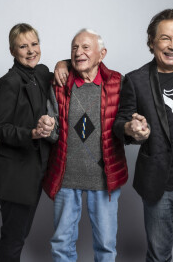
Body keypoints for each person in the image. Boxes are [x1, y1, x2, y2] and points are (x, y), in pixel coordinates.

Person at [113, 9, 173, 261]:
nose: (172, 46)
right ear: (152, 41)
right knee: (158, 257)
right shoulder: (136, 80)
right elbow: (120, 123)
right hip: (160, 189)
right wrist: (130, 129)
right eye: (165, 38)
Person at [43, 29, 128, 262]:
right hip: (65, 177)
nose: (78, 52)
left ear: (102, 54)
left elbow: (124, 125)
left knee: (106, 246)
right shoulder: (59, 83)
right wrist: (46, 129)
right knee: (61, 244)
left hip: (104, 180)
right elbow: (53, 134)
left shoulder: (118, 83)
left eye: (85, 47)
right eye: (74, 48)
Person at [0, 23, 56, 262]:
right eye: (23, 46)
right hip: (16, 174)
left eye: (34, 44)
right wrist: (32, 134)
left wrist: (63, 64)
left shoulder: (41, 72)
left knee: (22, 232)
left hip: (37, 169)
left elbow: (57, 76)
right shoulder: (8, 82)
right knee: (14, 236)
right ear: (12, 51)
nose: (31, 51)